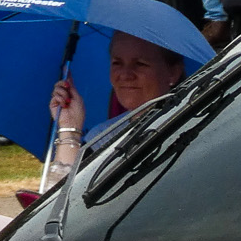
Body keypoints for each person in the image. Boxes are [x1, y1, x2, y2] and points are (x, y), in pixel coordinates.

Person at [43, 33, 187, 185]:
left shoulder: (189, 131)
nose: (125, 75)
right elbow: (61, 194)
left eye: (140, 63)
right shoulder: (103, 136)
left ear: (173, 73)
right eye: (117, 63)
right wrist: (69, 128)